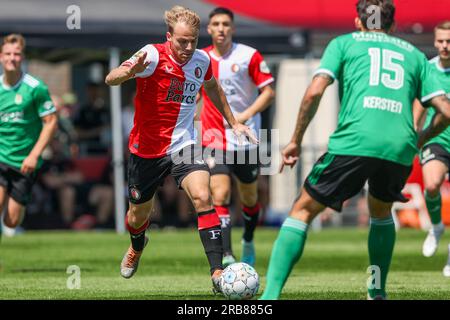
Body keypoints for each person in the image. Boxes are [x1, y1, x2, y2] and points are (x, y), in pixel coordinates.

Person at [260, 0, 450, 300]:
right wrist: (420, 138)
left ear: (358, 22)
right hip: (398, 146)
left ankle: (268, 299)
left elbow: (314, 91)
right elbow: (446, 112)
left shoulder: (344, 43)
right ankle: (377, 291)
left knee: (301, 211)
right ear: (393, 25)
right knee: (381, 211)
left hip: (355, 141)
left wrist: (295, 138)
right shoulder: (414, 54)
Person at [105, 6, 257, 292]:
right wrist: (128, 72)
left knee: (203, 196)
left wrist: (234, 122)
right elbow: (111, 78)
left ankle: (217, 273)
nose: (188, 48)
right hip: (146, 150)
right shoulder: (151, 55)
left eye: (193, 41)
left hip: (184, 145)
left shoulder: (201, 60)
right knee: (137, 217)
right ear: (168, 37)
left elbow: (213, 89)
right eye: (182, 42)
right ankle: (137, 245)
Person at [199, 7, 275, 267]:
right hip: (213, 137)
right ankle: (228, 255)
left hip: (247, 139)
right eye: (216, 24)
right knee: (219, 195)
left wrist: (243, 116)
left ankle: (249, 240)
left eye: (225, 24)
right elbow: (196, 95)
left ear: (232, 28)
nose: (221, 28)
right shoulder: (200, 58)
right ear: (208, 29)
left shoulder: (249, 55)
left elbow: (268, 92)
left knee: (250, 198)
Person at [0, 34, 58, 238]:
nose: (11, 58)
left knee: (11, 220)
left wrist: (34, 155)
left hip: (24, 162)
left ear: (22, 57)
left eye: (16, 54)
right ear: (1, 56)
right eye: (7, 53)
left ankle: (17, 210)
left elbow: (50, 122)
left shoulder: (35, 87)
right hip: (1, 157)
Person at [414, 21, 450, 276]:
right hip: (436, 138)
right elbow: (420, 105)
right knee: (432, 185)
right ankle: (436, 227)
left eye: (449, 41)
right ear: (435, 41)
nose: (445, 46)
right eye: (440, 41)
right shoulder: (426, 69)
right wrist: (414, 134)